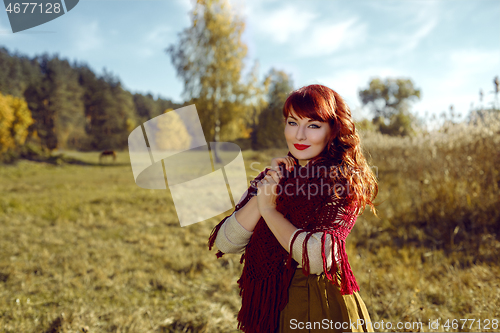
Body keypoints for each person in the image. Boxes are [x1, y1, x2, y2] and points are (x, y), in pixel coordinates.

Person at [208, 84, 378, 333]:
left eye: (313, 125)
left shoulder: (342, 181)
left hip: (317, 303)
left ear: (333, 130)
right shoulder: (274, 176)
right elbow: (226, 242)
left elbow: (318, 258)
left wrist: (270, 211)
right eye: (292, 122)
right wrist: (268, 188)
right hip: (271, 304)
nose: (299, 135)